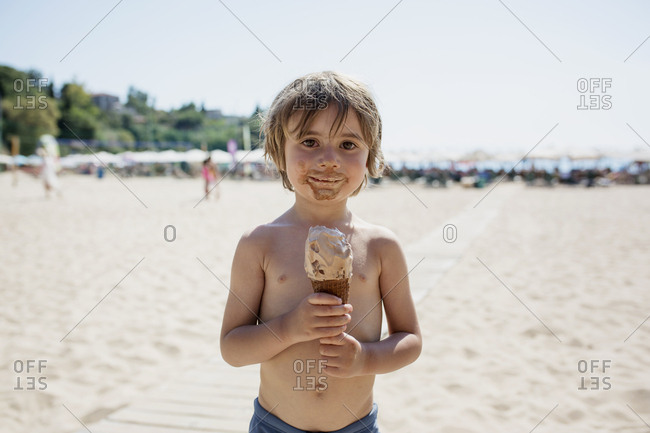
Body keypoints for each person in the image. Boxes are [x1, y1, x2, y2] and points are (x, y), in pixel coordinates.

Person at [220, 71, 422, 432]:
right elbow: (232, 348)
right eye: (309, 142)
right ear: (278, 153)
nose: (329, 159)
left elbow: (410, 340)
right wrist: (290, 328)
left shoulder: (381, 246)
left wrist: (364, 359)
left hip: (356, 425)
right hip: (275, 425)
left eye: (348, 145)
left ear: (370, 157)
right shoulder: (260, 243)